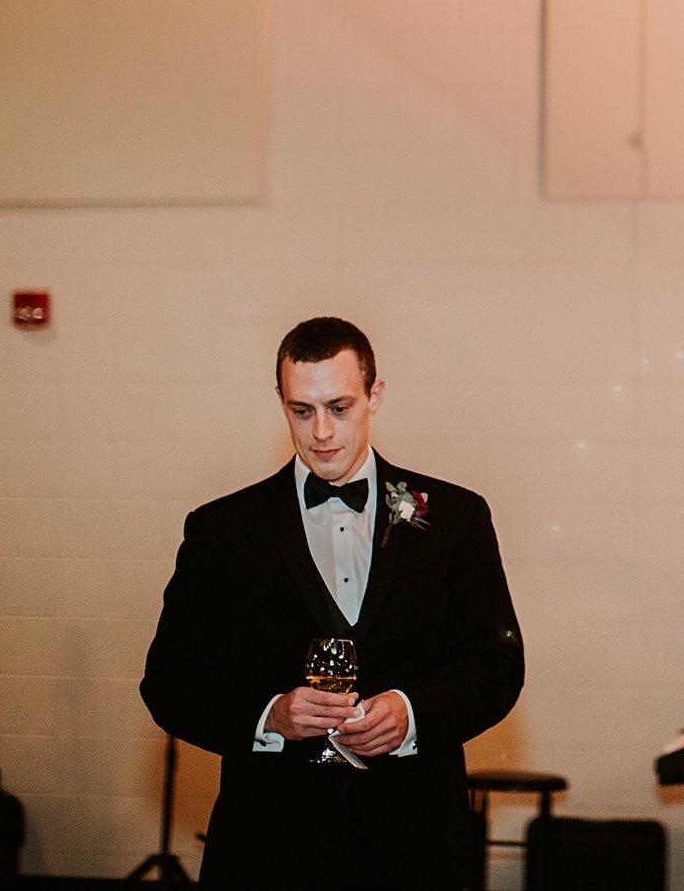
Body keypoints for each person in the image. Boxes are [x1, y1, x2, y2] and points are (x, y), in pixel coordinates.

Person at [141, 318, 524, 884]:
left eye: (339, 407)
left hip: (413, 846)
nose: (321, 431)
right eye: (302, 410)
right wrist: (271, 715)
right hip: (268, 846)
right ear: (280, 402)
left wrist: (411, 712)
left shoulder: (452, 518)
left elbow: (496, 665)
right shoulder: (222, 530)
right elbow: (171, 682)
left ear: (375, 395)